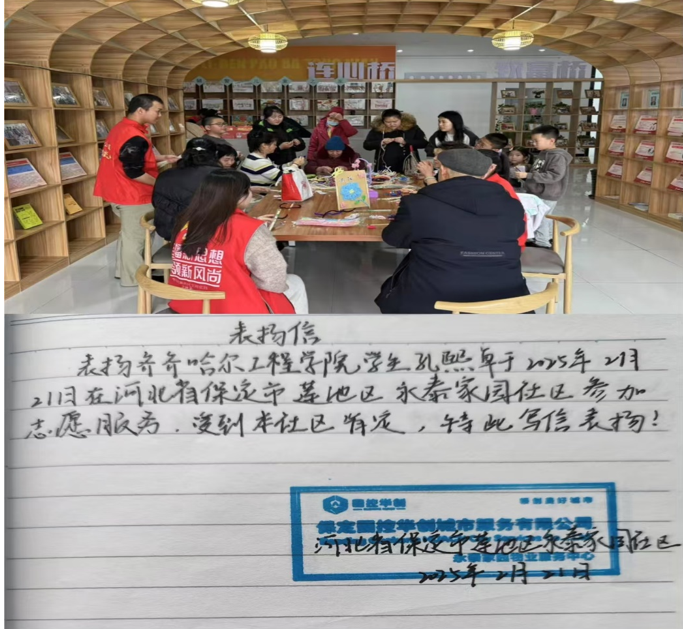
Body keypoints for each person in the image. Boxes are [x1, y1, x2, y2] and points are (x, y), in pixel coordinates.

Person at [376, 149, 528, 314]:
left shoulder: (418, 203)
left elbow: (394, 238)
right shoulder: (512, 205)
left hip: (433, 300)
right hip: (506, 299)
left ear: (443, 170)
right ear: (485, 173)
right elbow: (515, 233)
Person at [168, 170, 308, 314]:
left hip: (184, 304)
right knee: (295, 282)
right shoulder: (250, 228)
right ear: (242, 197)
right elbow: (274, 281)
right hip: (229, 308)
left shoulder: (187, 221)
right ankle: (295, 328)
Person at [94, 93, 179, 286]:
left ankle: (123, 272)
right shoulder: (134, 136)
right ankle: (134, 280)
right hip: (132, 194)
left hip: (117, 190)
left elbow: (127, 157)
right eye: (157, 111)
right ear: (141, 110)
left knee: (128, 235)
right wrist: (161, 185)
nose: (160, 116)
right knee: (137, 238)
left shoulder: (122, 128)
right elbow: (133, 171)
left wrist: (161, 157)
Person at [513, 125, 572, 248]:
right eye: (533, 140)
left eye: (536, 141)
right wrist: (527, 169)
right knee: (541, 217)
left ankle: (542, 244)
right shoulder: (544, 153)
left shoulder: (558, 156)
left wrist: (528, 175)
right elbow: (539, 168)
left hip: (547, 193)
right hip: (537, 191)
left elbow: (554, 175)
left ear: (551, 140)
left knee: (542, 218)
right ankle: (546, 238)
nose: (533, 143)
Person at [152, 138, 220, 242]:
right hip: (205, 233)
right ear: (215, 155)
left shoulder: (165, 174)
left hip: (170, 231)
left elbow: (155, 202)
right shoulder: (220, 175)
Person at [363, 108, 428, 173]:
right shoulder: (378, 129)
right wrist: (381, 142)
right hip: (384, 165)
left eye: (395, 121)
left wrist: (405, 141)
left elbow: (424, 143)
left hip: (408, 165)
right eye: (388, 122)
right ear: (383, 121)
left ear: (401, 119)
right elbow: (366, 145)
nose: (392, 124)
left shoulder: (411, 127)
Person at [240, 130, 305, 187]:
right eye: (274, 144)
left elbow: (277, 168)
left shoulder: (257, 157)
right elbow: (283, 178)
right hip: (262, 194)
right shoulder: (258, 161)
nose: (276, 147)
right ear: (264, 145)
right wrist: (295, 164)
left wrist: (291, 163)